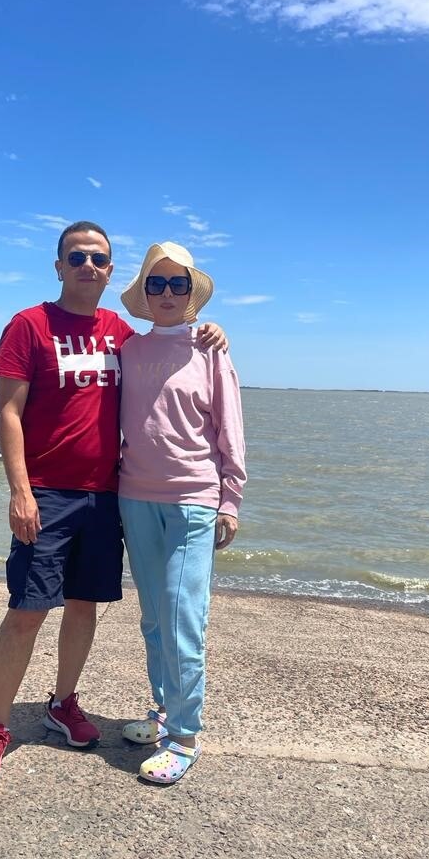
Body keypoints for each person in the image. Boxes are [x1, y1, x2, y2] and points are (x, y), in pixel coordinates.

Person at [0, 222, 227, 786]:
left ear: (112, 272)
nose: (89, 266)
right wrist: (19, 490)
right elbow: (7, 412)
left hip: (109, 495)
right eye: (77, 257)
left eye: (100, 259)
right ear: (58, 266)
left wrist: (213, 332)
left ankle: (63, 704)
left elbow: (174, 343)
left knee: (85, 608)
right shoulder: (28, 326)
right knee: (27, 611)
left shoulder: (119, 334)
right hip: (48, 494)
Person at [118, 242, 246, 784]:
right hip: (134, 497)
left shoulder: (212, 348)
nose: (167, 293)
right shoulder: (127, 349)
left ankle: (186, 735)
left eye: (177, 284)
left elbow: (229, 428)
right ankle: (164, 709)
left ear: (191, 292)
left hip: (193, 498)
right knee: (153, 617)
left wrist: (231, 499)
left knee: (181, 618)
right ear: (144, 292)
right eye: (156, 283)